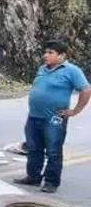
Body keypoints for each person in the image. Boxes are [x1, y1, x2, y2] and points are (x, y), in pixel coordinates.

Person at [18, 40, 91, 193]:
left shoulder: (72, 70)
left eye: (50, 53)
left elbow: (86, 90)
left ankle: (51, 182)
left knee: (53, 151)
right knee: (33, 149)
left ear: (62, 55)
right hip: (34, 117)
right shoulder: (42, 69)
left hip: (53, 119)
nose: (46, 55)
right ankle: (33, 177)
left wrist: (75, 110)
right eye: (45, 52)